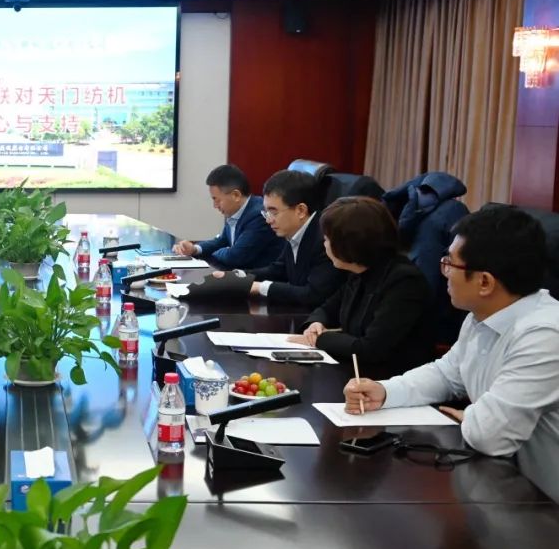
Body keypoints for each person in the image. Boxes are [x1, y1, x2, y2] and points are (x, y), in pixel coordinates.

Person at [343, 206, 559, 502]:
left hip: (544, 504)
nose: (443, 272)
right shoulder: (481, 315)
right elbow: (447, 374)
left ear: (485, 282)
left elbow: (489, 435)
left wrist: (469, 417)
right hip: (502, 485)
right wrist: (385, 391)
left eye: (450, 264)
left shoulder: (545, 335)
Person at [288, 196, 432, 376]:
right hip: (355, 373)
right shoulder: (359, 271)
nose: (324, 245)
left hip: (392, 379)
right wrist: (316, 323)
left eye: (327, 239)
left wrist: (320, 339)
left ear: (349, 244)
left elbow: (371, 348)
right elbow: (327, 308)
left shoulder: (404, 281)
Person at [230, 169, 345, 307]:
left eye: (273, 212)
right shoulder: (295, 230)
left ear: (301, 210)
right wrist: (238, 277)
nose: (268, 220)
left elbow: (313, 295)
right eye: (266, 212)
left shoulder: (325, 240)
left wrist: (260, 287)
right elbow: (279, 270)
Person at [172, 164, 281, 269]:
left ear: (236, 195)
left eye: (217, 200)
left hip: (261, 278)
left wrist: (216, 253)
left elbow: (235, 257)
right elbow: (222, 241)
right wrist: (194, 249)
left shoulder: (258, 215)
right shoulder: (235, 211)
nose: (215, 206)